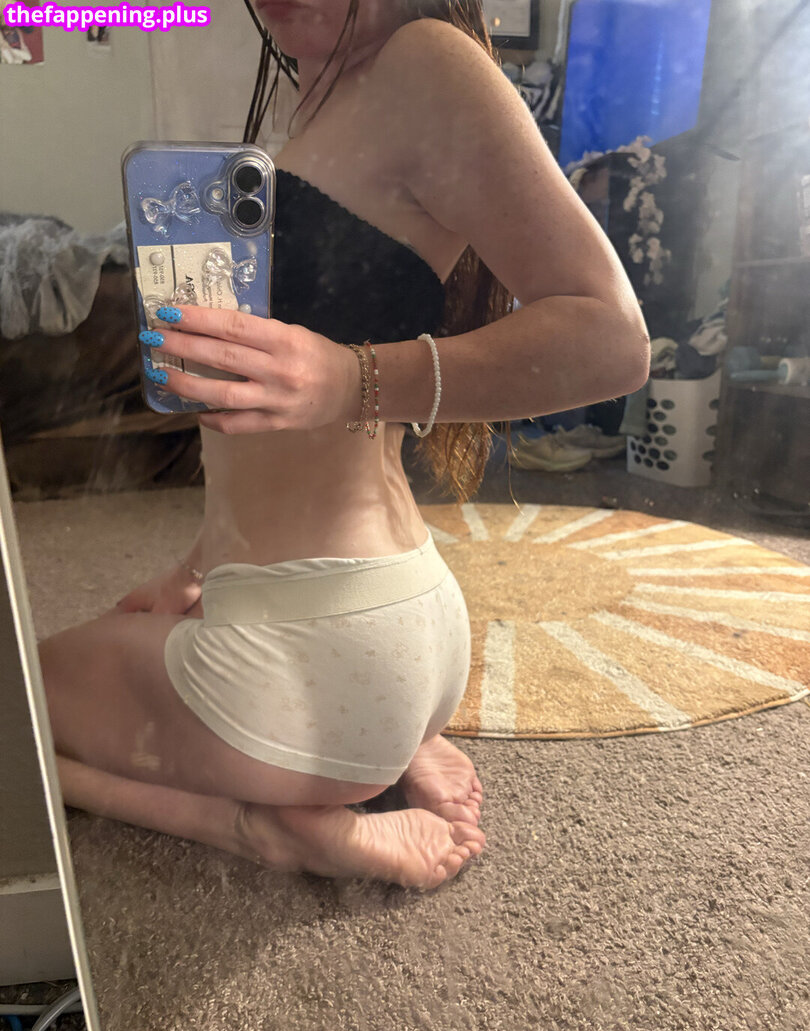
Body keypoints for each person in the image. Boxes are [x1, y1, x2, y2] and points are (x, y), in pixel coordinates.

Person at [40, 0, 650, 891]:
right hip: (374, 631)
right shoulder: (327, 95)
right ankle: (389, 742)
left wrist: (347, 378)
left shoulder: (426, 62)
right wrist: (194, 569)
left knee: (10, 704)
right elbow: (276, 457)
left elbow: (614, 340)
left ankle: (265, 827)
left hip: (321, 650)